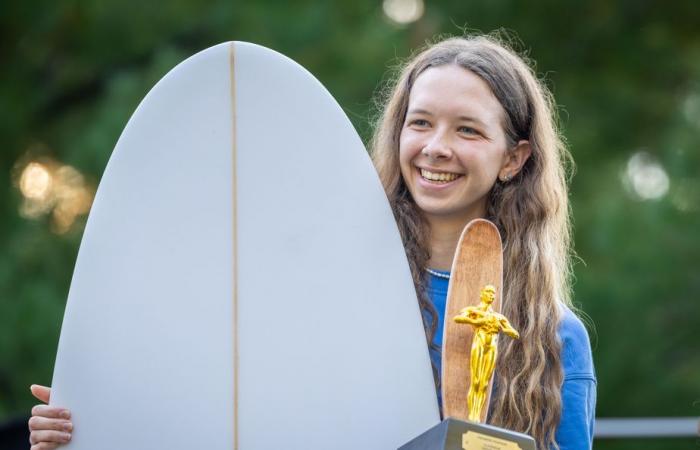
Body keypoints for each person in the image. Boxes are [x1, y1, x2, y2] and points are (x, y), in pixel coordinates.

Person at [29, 34, 596, 450]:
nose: (436, 147)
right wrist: (88, 429)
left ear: (514, 158)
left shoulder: (553, 338)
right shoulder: (316, 286)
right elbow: (218, 409)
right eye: (420, 123)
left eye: (467, 129)